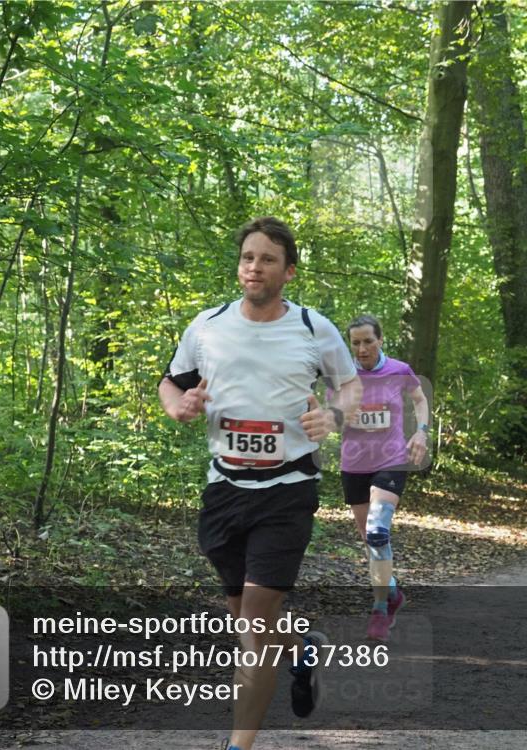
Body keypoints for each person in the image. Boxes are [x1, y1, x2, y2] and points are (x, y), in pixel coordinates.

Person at [158, 217, 361, 750]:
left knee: (250, 629)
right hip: (224, 489)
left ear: (288, 272)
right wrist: (178, 405)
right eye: (248, 257)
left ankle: (238, 745)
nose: (255, 266)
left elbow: (351, 388)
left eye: (268, 259)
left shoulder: (315, 329)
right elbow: (171, 381)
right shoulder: (207, 325)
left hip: (288, 488)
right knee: (252, 621)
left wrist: (333, 418)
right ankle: (302, 652)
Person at [336, 315, 429, 642]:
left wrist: (421, 432)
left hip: (390, 460)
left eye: (368, 341)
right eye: (356, 343)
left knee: (377, 532)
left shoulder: (399, 371)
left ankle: (379, 609)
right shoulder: (343, 374)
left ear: (381, 340)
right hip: (354, 464)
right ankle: (392, 592)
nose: (361, 349)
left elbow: (419, 400)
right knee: (369, 539)